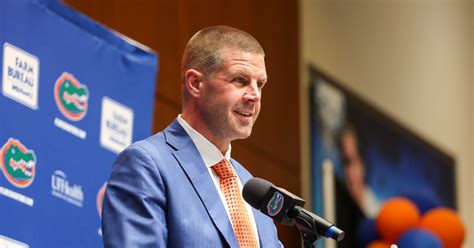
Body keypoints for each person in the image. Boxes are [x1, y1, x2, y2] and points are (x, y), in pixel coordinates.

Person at [101, 25, 282, 247]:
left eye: (260, 84)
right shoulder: (147, 164)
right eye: (240, 80)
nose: (254, 95)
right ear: (195, 83)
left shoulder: (254, 191)